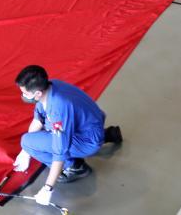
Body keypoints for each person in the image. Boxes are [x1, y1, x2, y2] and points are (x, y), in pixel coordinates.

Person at [12, 65, 123, 207]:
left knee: (27, 141)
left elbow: (60, 152)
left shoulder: (58, 109)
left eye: (25, 93)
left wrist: (48, 188)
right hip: (91, 125)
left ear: (38, 93)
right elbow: (38, 119)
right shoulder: (51, 86)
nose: (23, 96)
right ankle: (105, 136)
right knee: (40, 132)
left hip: (88, 139)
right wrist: (25, 153)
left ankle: (74, 167)